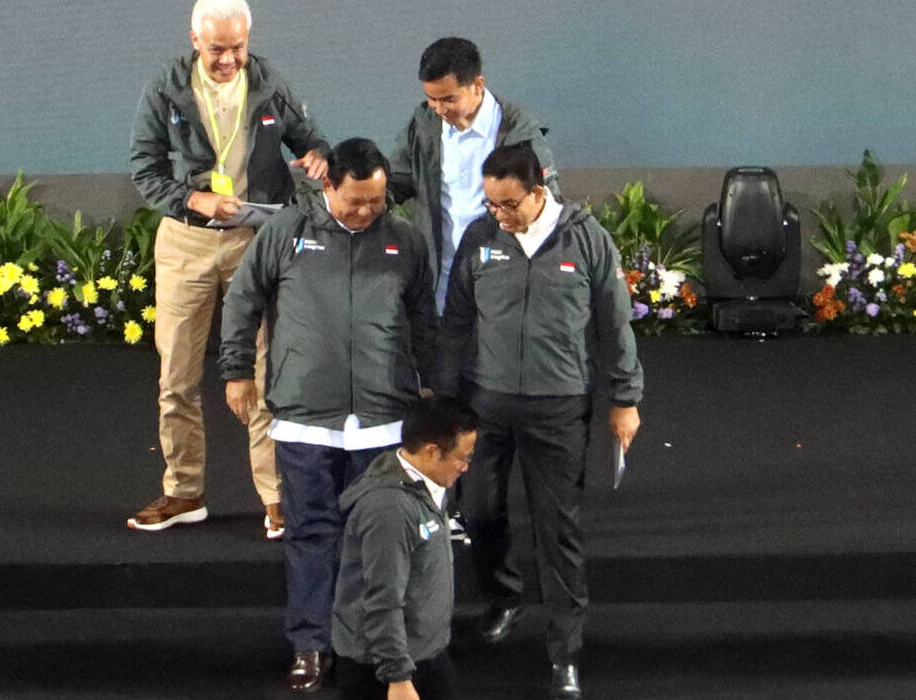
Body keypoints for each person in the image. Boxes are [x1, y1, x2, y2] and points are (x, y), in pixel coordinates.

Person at [219, 138, 437, 693]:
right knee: (311, 534)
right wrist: (238, 371)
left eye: (377, 201)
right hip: (303, 418)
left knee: (375, 539)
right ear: (328, 186)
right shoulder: (286, 233)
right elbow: (243, 300)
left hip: (384, 419)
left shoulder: (405, 241)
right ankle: (311, 645)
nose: (367, 211)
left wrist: (433, 388)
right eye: (355, 201)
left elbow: (425, 323)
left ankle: (370, 646)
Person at [435, 143, 643, 700]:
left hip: (558, 406)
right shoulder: (480, 238)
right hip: (486, 404)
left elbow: (615, 326)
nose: (497, 215)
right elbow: (456, 323)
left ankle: (565, 652)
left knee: (558, 530)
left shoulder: (587, 241)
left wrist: (625, 399)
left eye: (508, 205)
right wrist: (447, 399)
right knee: (478, 511)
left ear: (538, 192)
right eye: (490, 204)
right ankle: (504, 596)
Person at [127, 0, 329, 537]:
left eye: (237, 47)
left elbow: (313, 141)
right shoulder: (163, 88)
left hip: (257, 243)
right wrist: (193, 201)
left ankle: (276, 498)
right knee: (177, 377)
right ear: (195, 40)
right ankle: (183, 492)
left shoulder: (268, 82)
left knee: (266, 372)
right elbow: (144, 170)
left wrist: (318, 158)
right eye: (217, 49)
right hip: (187, 243)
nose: (229, 59)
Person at [388, 37, 561, 315]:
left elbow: (550, 208)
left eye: (449, 99)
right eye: (432, 99)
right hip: (439, 284)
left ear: (478, 85)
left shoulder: (520, 132)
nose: (440, 109)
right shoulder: (423, 125)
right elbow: (396, 180)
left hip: (503, 281)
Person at [331, 396, 478, 700]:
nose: (466, 467)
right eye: (462, 458)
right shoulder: (390, 510)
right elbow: (382, 598)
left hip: (424, 655)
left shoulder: (424, 484)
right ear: (431, 452)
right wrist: (397, 677)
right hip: (382, 671)